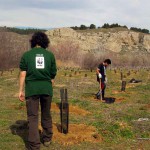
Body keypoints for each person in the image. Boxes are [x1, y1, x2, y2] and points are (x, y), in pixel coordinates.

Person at [19, 32, 57, 150]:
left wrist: (20, 90)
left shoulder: (26, 55)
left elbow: (22, 74)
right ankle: (47, 139)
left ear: (33, 42)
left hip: (32, 90)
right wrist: (50, 79)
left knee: (33, 116)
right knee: (46, 114)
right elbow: (53, 73)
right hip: (46, 89)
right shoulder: (50, 55)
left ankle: (34, 146)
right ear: (45, 42)